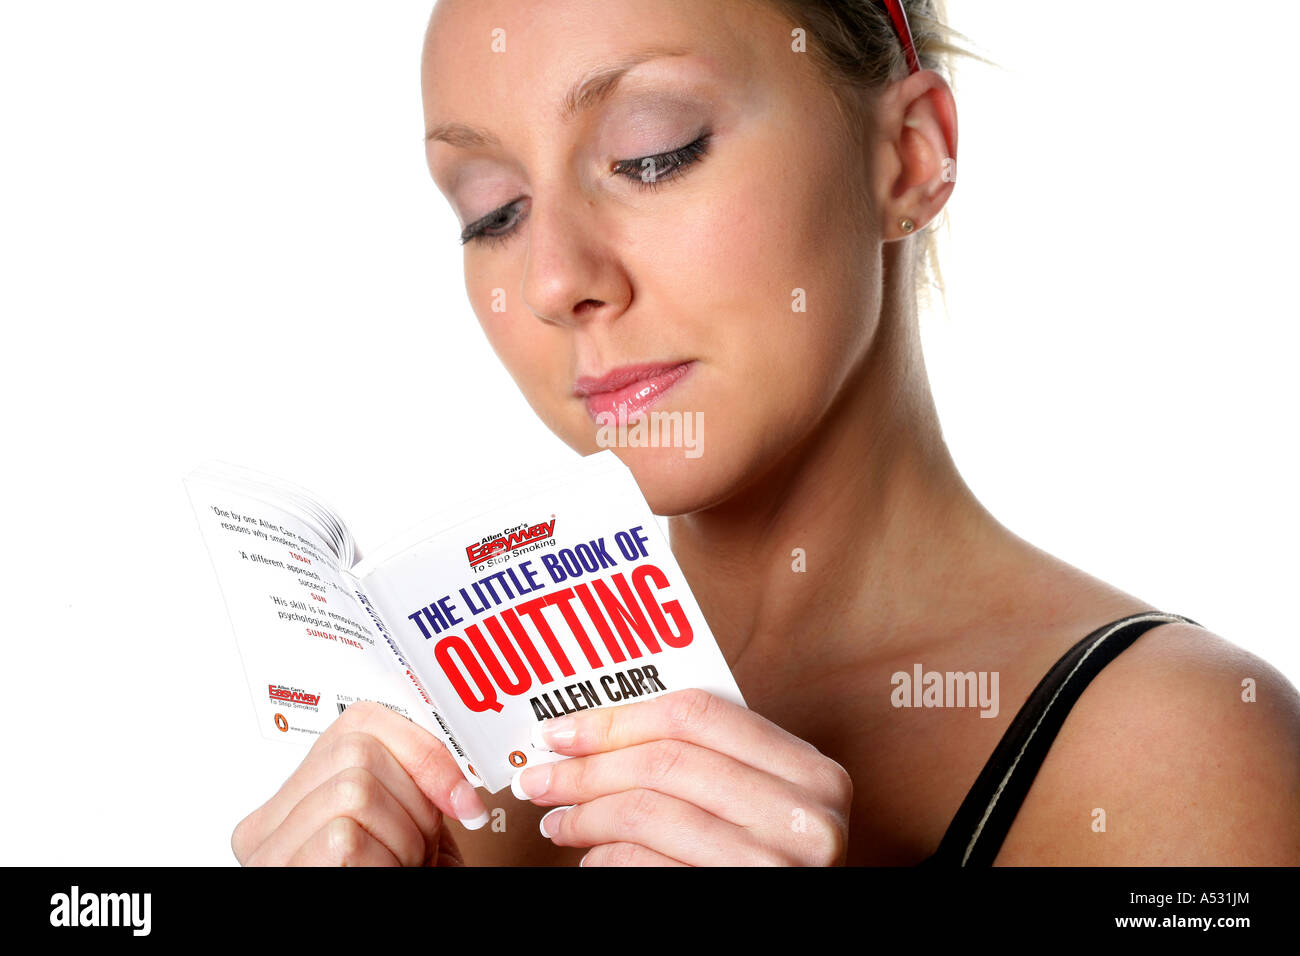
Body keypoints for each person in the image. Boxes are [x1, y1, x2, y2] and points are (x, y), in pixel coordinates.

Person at [231, 0, 1300, 866]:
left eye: (653, 153)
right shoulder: (455, 767)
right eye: (492, 210)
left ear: (909, 156)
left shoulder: (1174, 748)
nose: (554, 279)